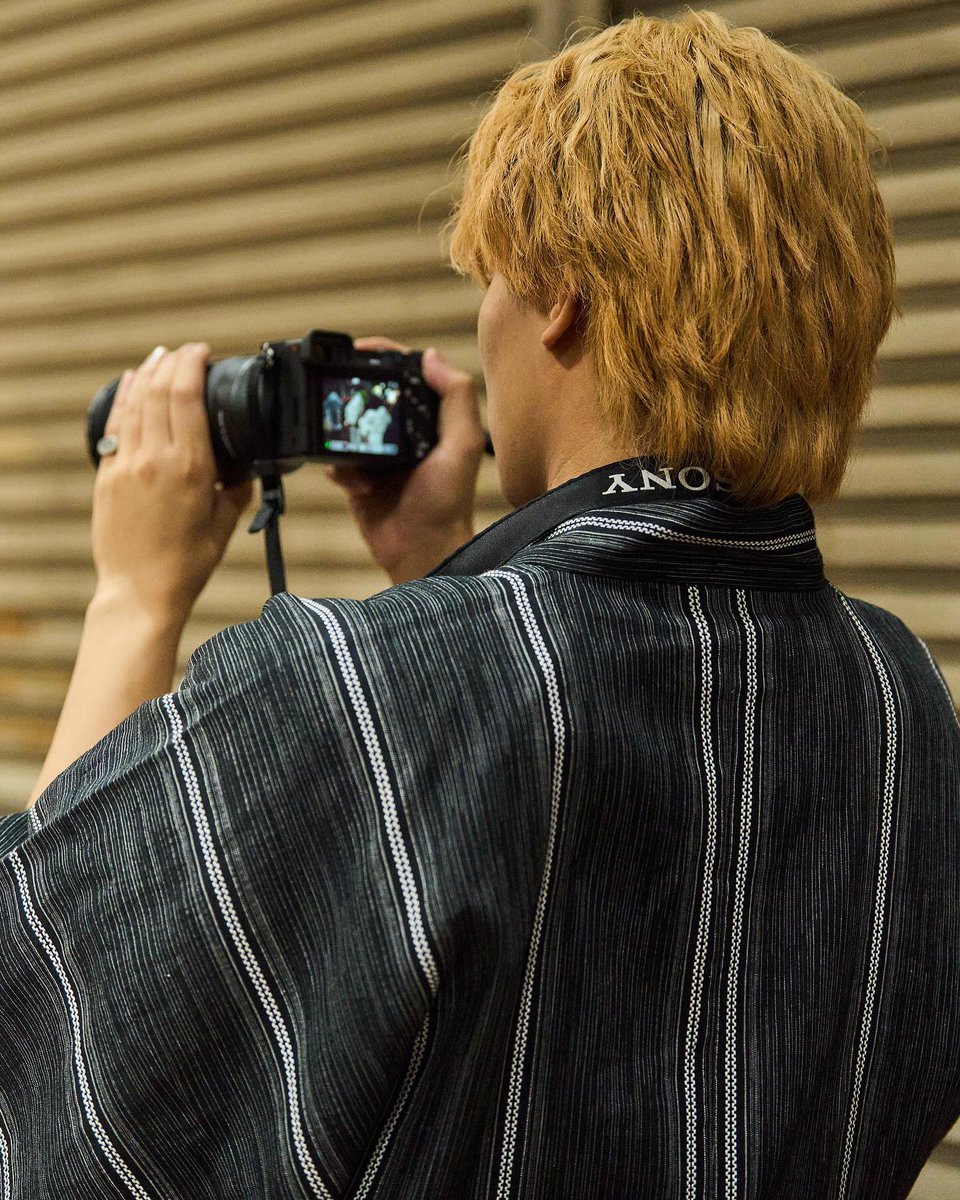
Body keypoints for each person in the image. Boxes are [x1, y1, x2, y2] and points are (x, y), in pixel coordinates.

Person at [1, 10, 958, 1199]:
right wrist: (443, 563)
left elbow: (41, 1045)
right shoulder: (900, 696)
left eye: (493, 283)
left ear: (559, 294)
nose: (486, 323)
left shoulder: (353, 696)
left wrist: (132, 601)